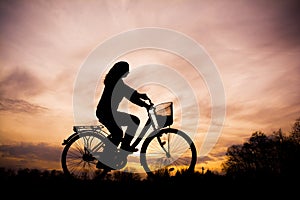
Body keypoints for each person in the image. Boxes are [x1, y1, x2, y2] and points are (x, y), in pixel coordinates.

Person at [96, 61, 152, 153]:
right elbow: (129, 94)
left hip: (107, 113)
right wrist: (145, 104)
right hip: (106, 113)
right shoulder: (115, 83)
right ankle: (109, 157)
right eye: (126, 71)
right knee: (120, 132)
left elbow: (130, 93)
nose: (127, 73)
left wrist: (140, 96)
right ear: (121, 71)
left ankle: (121, 148)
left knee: (118, 132)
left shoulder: (114, 81)